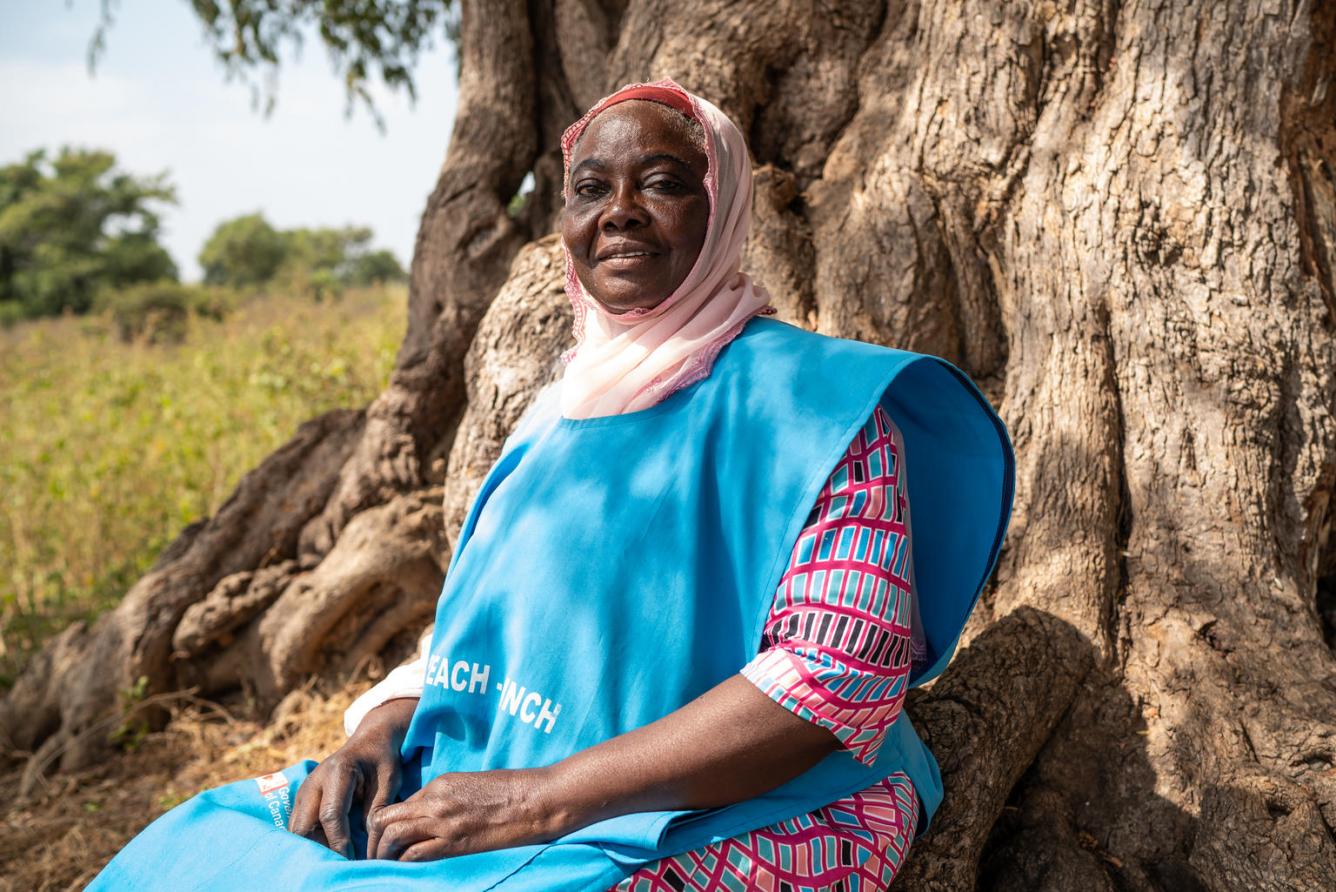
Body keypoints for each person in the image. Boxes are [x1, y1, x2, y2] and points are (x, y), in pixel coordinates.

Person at [89, 78, 1014, 891]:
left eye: (660, 182)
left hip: (749, 810)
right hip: (505, 772)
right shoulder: (560, 412)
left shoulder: (821, 409)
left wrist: (538, 802)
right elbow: (498, 633)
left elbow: (829, 677)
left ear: (721, 204)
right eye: (590, 188)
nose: (619, 211)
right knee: (207, 849)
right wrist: (375, 738)